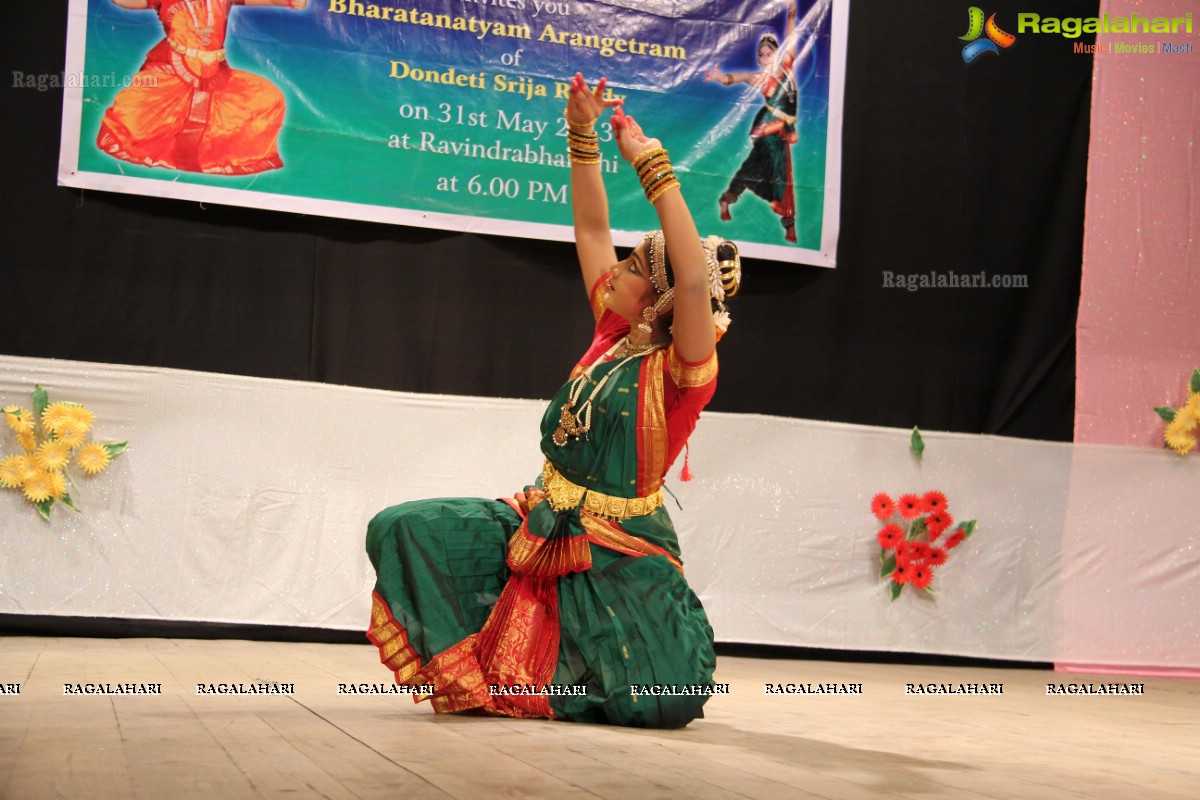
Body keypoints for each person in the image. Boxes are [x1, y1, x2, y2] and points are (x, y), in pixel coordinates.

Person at [364, 74, 742, 729]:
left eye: (627, 267)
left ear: (657, 298)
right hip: (541, 514)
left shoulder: (684, 374)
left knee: (664, 697)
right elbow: (592, 227)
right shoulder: (612, 331)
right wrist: (581, 132)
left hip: (619, 548)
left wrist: (654, 169)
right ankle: (485, 673)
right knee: (403, 526)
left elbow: (687, 276)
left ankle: (583, 670)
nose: (611, 268)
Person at [97, 0, 306, 174]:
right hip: (171, 72)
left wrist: (289, 1)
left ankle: (215, 148)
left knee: (269, 98)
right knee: (129, 114)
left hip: (216, 76)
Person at [706, 0, 801, 243]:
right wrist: (721, 77)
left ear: (777, 54)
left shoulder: (786, 68)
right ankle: (783, 215)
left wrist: (791, 15)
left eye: (769, 53)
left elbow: (791, 39)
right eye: (761, 55)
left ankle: (727, 199)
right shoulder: (760, 77)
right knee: (779, 169)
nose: (765, 57)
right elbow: (742, 76)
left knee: (754, 168)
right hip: (768, 127)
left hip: (781, 129)